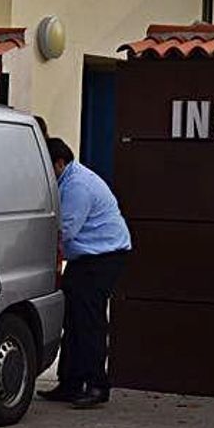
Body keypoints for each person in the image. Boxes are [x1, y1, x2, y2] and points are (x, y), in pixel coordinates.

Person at [38, 138, 131, 409]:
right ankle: (70, 381)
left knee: (89, 321)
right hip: (88, 257)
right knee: (72, 317)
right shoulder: (68, 180)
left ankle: (96, 385)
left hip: (102, 258)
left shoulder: (77, 186)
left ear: (59, 162)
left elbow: (65, 231)